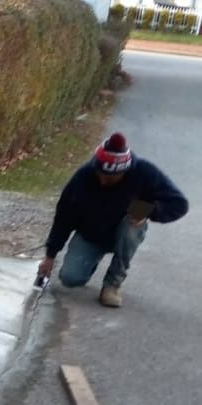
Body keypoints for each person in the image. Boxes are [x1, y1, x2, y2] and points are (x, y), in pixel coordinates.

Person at [37, 131, 188, 307]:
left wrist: (149, 211)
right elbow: (64, 215)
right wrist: (50, 255)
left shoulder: (144, 173)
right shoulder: (84, 175)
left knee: (134, 221)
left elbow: (179, 204)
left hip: (124, 231)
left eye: (109, 178)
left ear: (124, 171)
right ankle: (90, 260)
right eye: (100, 173)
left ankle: (112, 284)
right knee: (70, 279)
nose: (102, 180)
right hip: (91, 234)